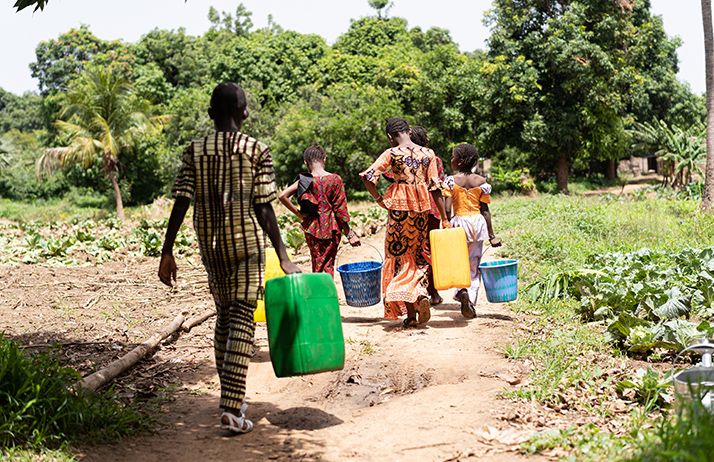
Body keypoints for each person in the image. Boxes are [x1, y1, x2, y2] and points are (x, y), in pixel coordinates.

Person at [158, 82, 301, 435]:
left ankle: (231, 399)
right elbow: (264, 206)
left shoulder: (194, 150)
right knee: (240, 318)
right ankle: (232, 406)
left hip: (211, 245)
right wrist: (283, 255)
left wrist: (166, 251)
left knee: (225, 314)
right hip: (247, 244)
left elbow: (181, 200)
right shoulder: (256, 149)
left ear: (210, 114)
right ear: (245, 112)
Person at [359, 117, 449, 328]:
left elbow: (368, 176)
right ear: (409, 130)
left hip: (399, 209)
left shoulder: (392, 153)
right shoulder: (429, 154)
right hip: (421, 210)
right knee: (417, 256)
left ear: (390, 136)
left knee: (398, 256)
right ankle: (418, 295)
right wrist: (444, 218)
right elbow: (436, 187)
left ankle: (411, 311)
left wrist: (379, 199)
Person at [278, 145, 361, 275]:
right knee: (328, 263)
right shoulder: (335, 179)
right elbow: (340, 210)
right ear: (324, 159)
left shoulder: (304, 180)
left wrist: (299, 215)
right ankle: (326, 293)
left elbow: (282, 196)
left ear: (306, 162)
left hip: (312, 228)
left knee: (317, 262)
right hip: (332, 228)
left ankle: (318, 292)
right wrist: (349, 233)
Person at [442, 143, 501, 318]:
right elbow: (485, 210)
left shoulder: (451, 181)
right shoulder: (481, 182)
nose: (451, 160)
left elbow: (447, 208)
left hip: (459, 223)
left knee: (458, 261)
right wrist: (492, 236)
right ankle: (471, 298)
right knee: (474, 263)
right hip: (477, 223)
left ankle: (461, 291)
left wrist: (445, 223)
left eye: (453, 157)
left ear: (459, 162)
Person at [408, 126, 445, 306]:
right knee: (430, 249)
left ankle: (418, 291)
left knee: (414, 250)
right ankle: (433, 291)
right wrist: (446, 216)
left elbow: (390, 175)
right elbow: (440, 186)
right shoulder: (435, 159)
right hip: (433, 210)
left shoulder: (407, 159)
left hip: (414, 208)